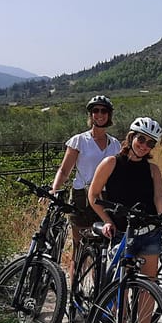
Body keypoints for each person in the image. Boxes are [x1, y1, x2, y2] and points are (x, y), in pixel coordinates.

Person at [88, 116, 162, 323]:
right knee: (121, 297)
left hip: (149, 234)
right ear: (130, 137)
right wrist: (106, 222)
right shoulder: (111, 162)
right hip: (123, 235)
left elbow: (159, 198)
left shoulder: (152, 170)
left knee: (149, 292)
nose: (144, 145)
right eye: (140, 139)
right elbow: (94, 196)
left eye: (150, 143)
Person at [51, 95, 120, 275]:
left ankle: (97, 294)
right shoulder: (79, 141)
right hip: (82, 196)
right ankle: (74, 296)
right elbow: (65, 170)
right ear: (90, 114)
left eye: (103, 111)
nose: (99, 114)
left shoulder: (115, 145)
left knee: (102, 249)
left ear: (109, 115)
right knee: (79, 248)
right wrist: (54, 189)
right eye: (95, 110)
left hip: (105, 198)